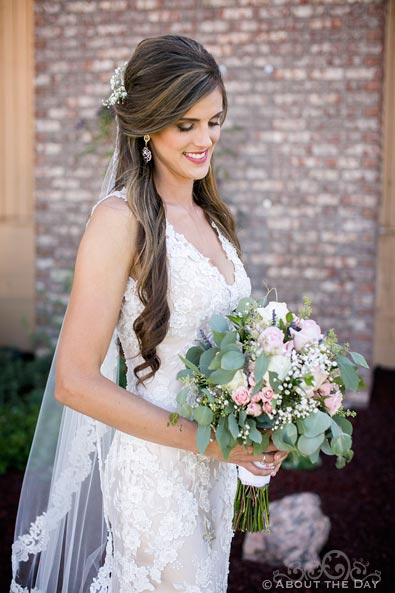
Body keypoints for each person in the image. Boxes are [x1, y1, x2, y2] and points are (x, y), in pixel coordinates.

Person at [10, 35, 288, 593]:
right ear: (147, 125)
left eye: (214, 121)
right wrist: (210, 441)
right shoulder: (120, 220)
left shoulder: (213, 218)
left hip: (214, 474)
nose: (204, 138)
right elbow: (74, 381)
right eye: (185, 124)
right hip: (154, 476)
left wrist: (260, 425)